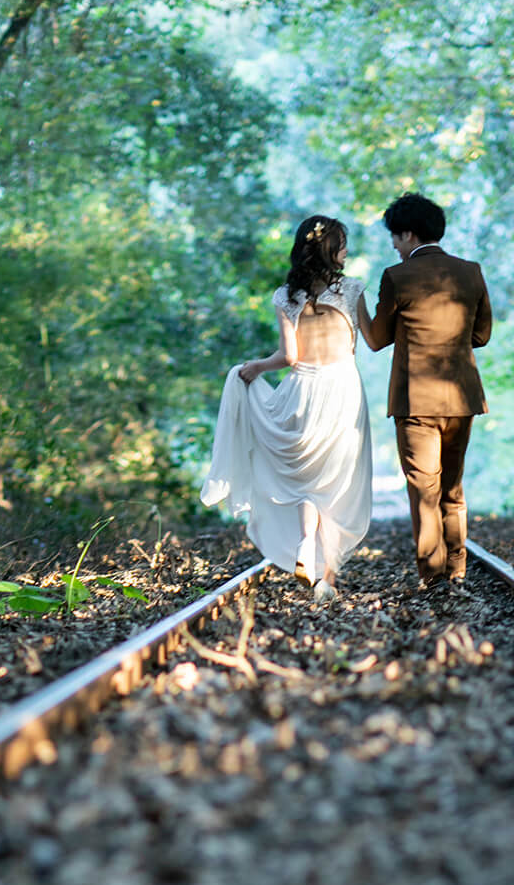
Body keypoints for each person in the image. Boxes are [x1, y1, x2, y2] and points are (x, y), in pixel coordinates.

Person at [201, 215, 374, 604]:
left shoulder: (286, 295)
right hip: (342, 389)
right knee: (334, 482)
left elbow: (289, 357)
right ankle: (327, 577)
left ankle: (304, 546)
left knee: (305, 483)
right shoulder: (351, 290)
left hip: (301, 390)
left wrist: (255, 368)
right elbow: (377, 342)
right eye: (342, 244)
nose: (346, 251)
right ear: (331, 249)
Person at [368, 192, 492, 586]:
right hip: (462, 398)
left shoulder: (396, 276)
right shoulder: (471, 271)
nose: (392, 244)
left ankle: (433, 576)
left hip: (415, 402)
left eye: (394, 236)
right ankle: (456, 569)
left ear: (407, 234)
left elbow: (376, 338)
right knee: (452, 489)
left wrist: (355, 303)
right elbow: (483, 335)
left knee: (425, 490)